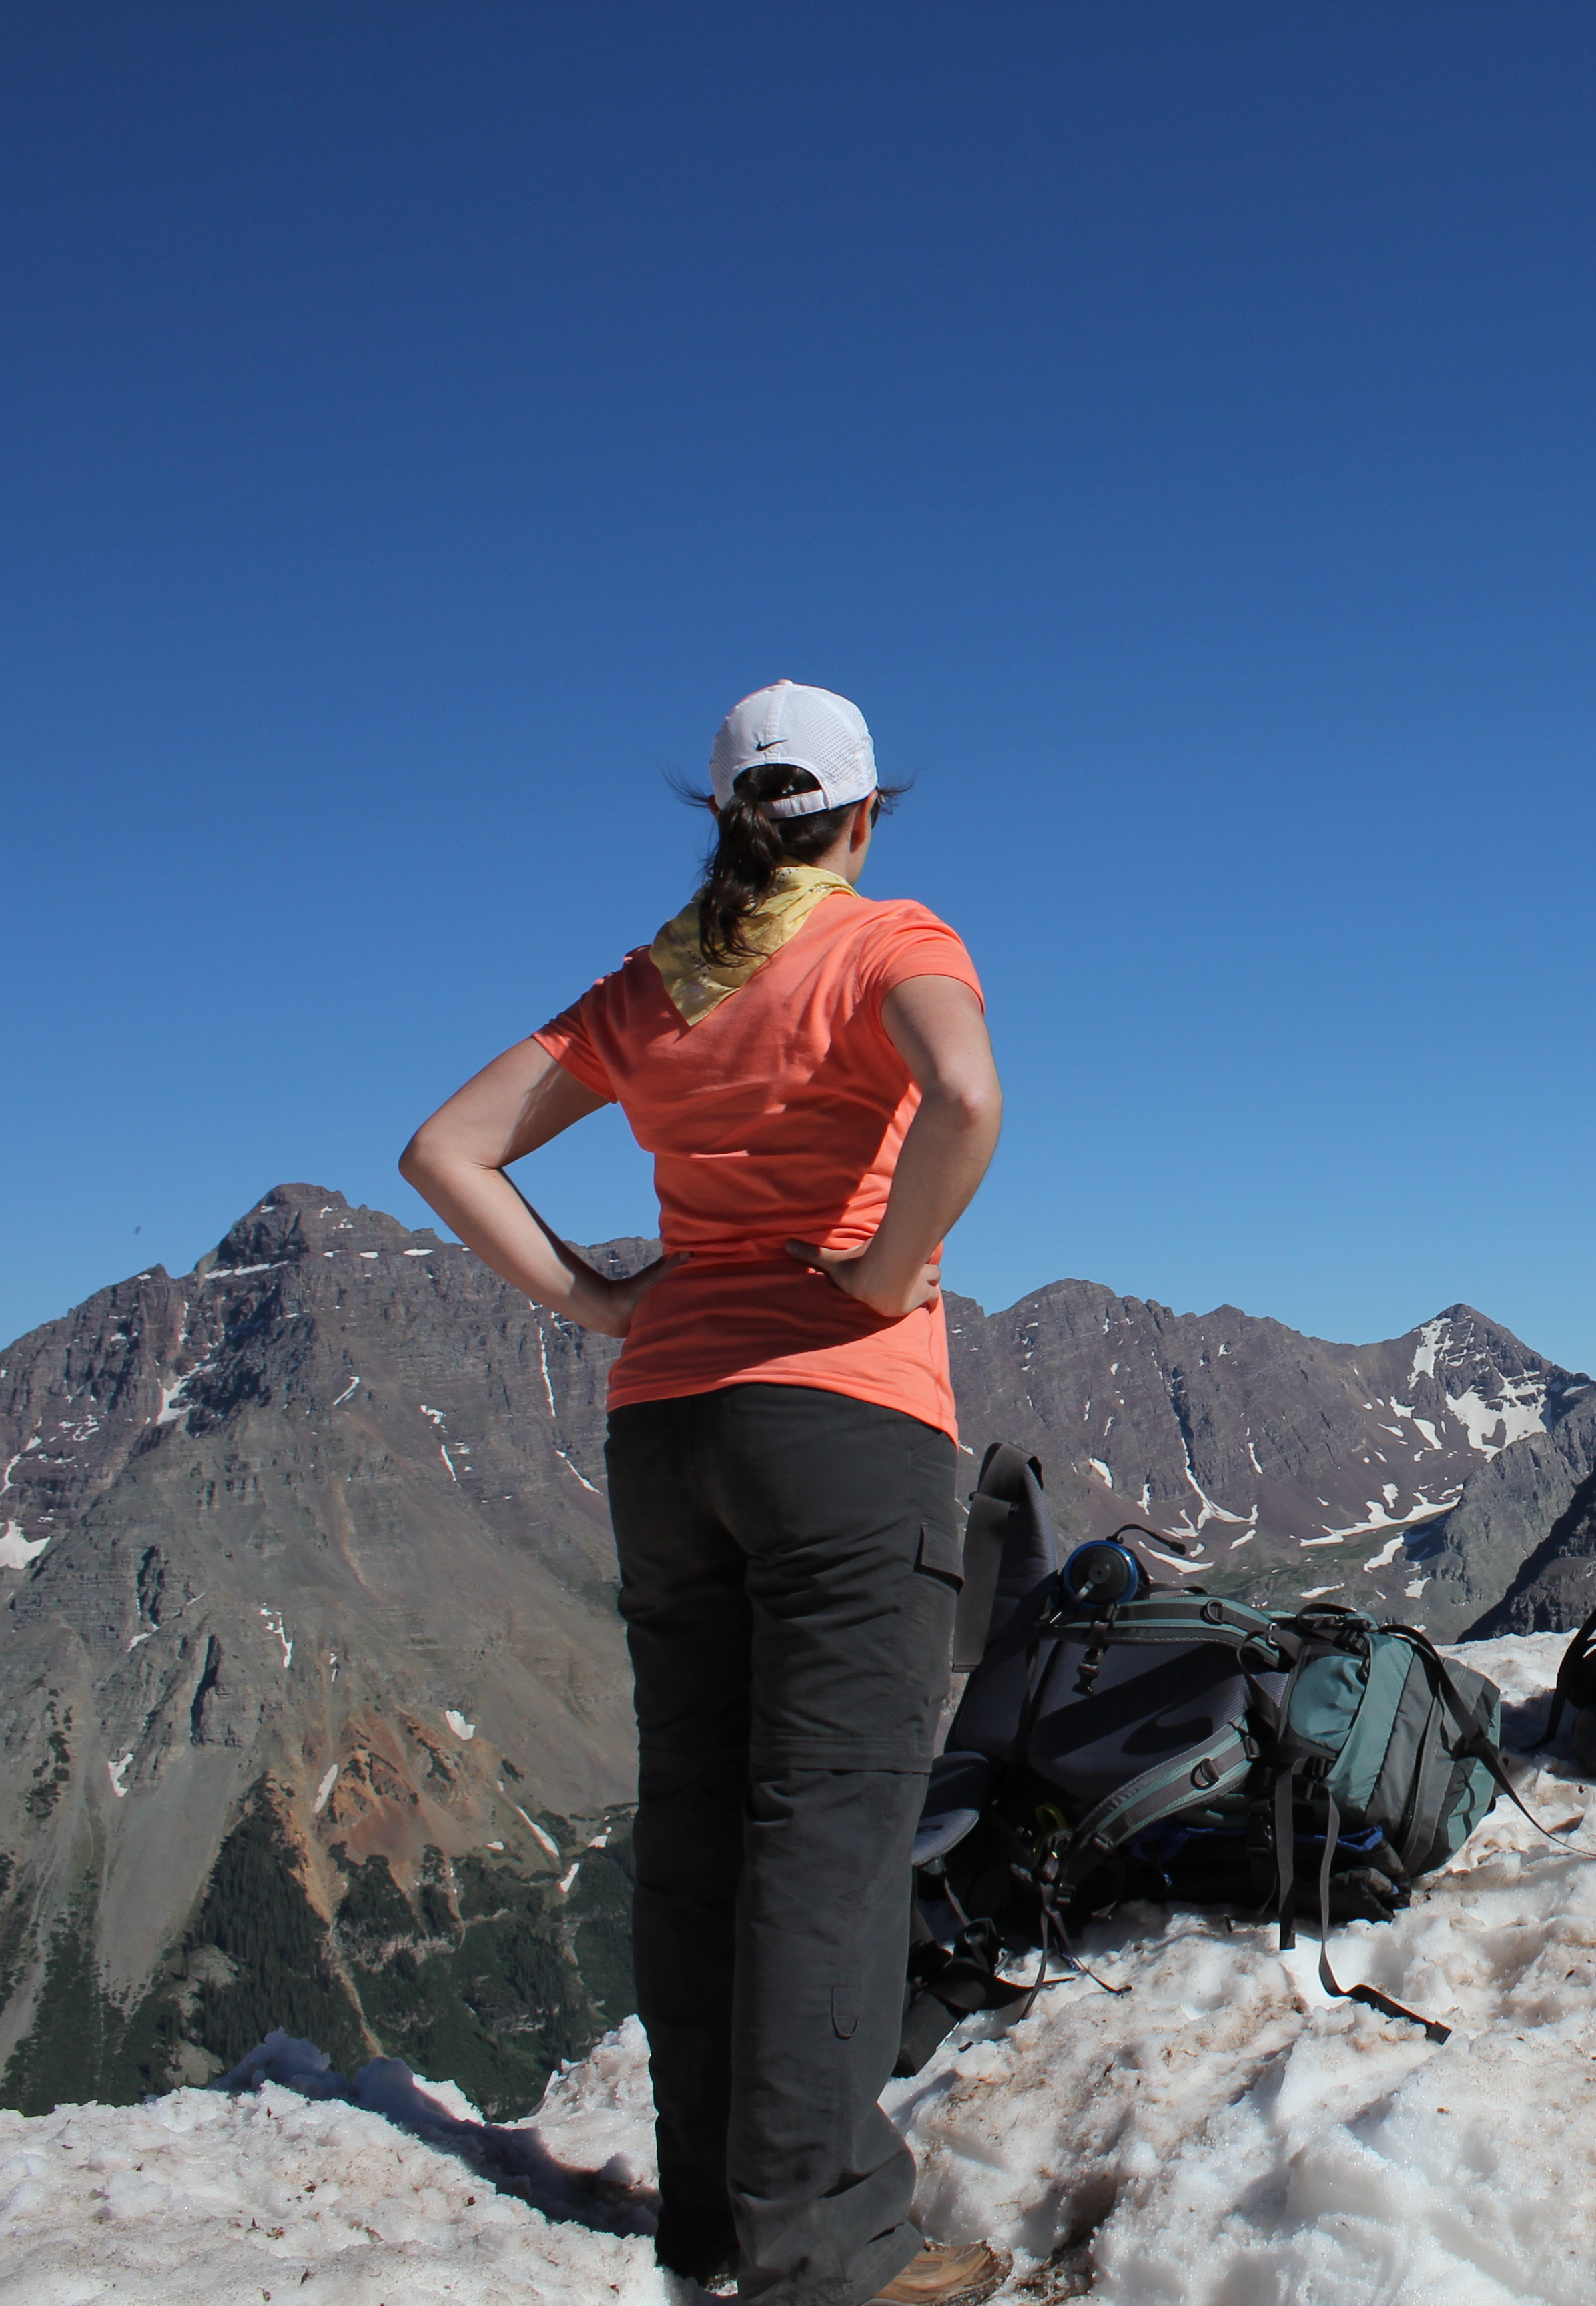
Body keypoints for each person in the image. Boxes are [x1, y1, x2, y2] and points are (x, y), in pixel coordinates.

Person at [401, 681, 1009, 2306]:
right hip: (841, 1426)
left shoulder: (652, 986)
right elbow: (966, 1100)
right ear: (866, 819)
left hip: (664, 1427)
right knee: (828, 1835)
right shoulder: (890, 940)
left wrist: (604, 1301)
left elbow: (446, 1150)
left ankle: (712, 2223)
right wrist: (883, 1278)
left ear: (727, 819)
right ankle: (831, 2254)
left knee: (698, 1826)